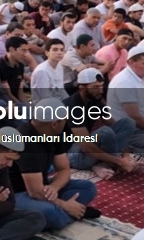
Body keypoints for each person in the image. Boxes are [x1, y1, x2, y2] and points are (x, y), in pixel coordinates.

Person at [11, 98, 101, 231]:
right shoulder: (26, 141)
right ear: (55, 123)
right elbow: (35, 191)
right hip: (17, 193)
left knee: (88, 187)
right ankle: (71, 212)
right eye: (64, 120)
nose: (66, 123)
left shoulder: (54, 133)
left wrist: (54, 187)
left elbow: (64, 169)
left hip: (43, 188)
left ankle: (67, 211)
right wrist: (65, 205)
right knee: (51, 213)